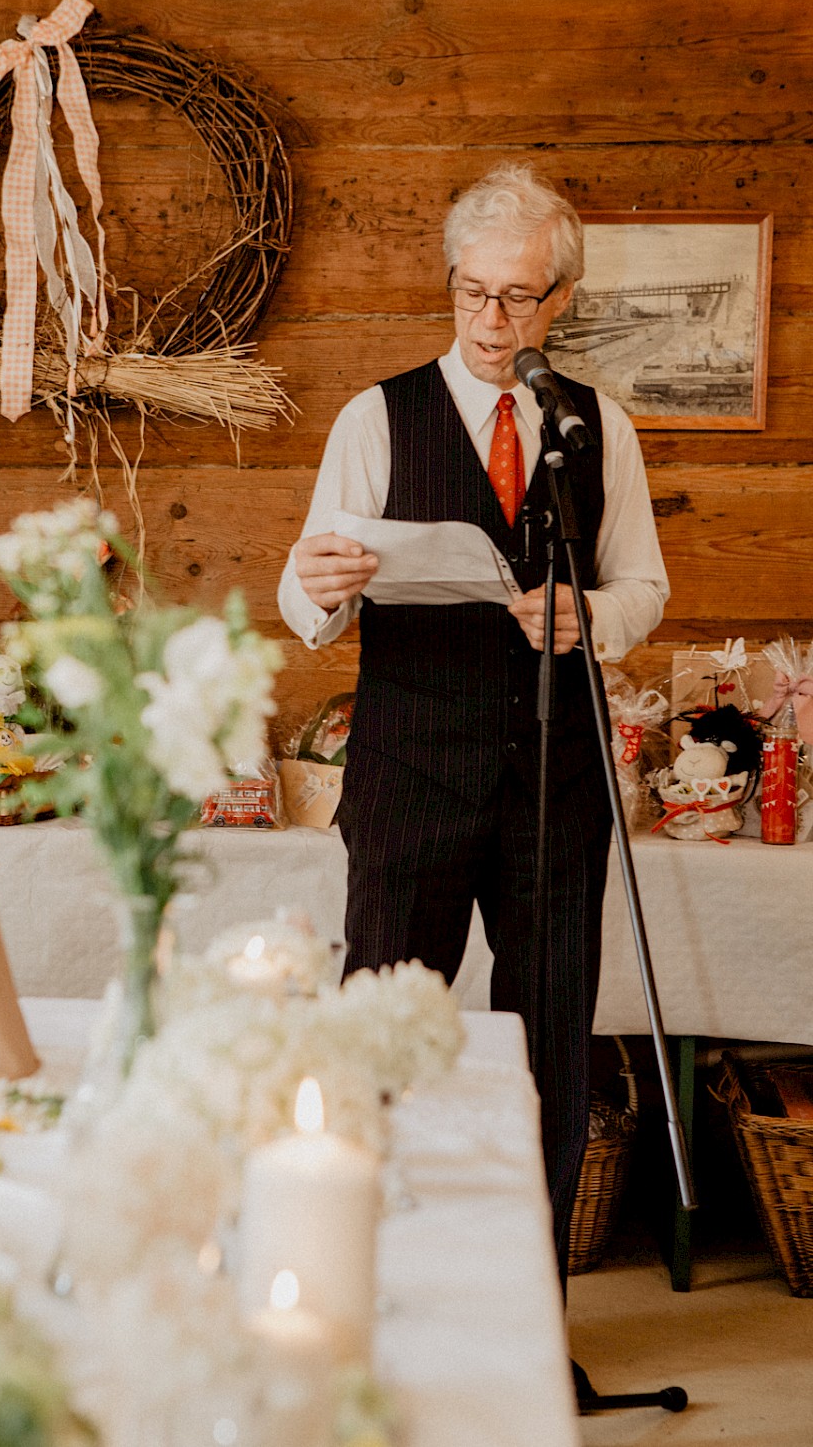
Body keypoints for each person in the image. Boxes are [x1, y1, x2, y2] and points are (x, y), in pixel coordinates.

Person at [277, 162, 669, 1290]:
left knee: (548, 1042)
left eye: (520, 297)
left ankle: (528, 1297)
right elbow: (305, 607)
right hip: (410, 774)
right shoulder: (376, 416)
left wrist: (584, 614)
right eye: (473, 293)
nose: (494, 321)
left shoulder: (599, 429)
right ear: (450, 284)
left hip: (557, 778)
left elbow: (642, 587)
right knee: (382, 1029)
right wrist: (322, 580)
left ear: (561, 300)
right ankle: (365, 1277)